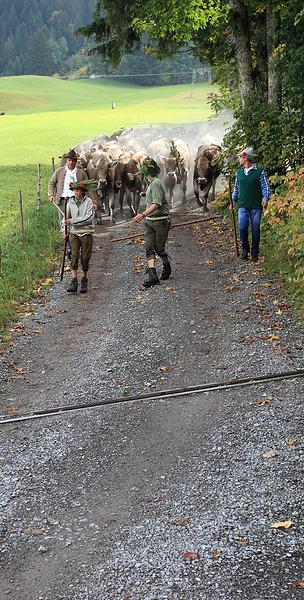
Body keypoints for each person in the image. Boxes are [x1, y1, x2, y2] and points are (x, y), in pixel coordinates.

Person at [133, 158, 171, 287]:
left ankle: (166, 265)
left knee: (159, 249)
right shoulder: (150, 184)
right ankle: (152, 275)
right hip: (150, 221)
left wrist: (142, 214)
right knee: (149, 248)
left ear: (146, 172)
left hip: (160, 221)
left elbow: (156, 204)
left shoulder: (156, 183)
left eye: (141, 173)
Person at [230, 146, 271, 262]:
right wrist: (232, 201)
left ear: (246, 158)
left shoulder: (259, 172)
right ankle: (245, 249)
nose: (239, 160)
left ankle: (255, 252)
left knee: (255, 229)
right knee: (242, 228)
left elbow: (265, 187)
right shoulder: (239, 173)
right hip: (242, 205)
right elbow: (236, 190)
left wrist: (265, 198)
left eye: (240, 157)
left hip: (255, 206)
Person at [64, 180, 95, 294]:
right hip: (74, 233)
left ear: (82, 191)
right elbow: (66, 219)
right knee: (74, 255)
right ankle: (74, 280)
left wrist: (74, 221)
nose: (76, 192)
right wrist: (64, 231)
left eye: (78, 190)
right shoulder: (70, 202)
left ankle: (84, 278)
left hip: (86, 232)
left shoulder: (88, 202)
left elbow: (89, 218)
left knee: (85, 258)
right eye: (74, 190)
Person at [48, 149, 89, 224]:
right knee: (63, 224)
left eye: (73, 161)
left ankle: (74, 235)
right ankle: (64, 235)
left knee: (75, 222)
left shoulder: (81, 173)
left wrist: (94, 202)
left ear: (75, 161)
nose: (71, 162)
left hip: (77, 202)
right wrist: (51, 194)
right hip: (62, 202)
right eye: (69, 160)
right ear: (66, 160)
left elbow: (88, 188)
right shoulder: (59, 171)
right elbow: (51, 183)